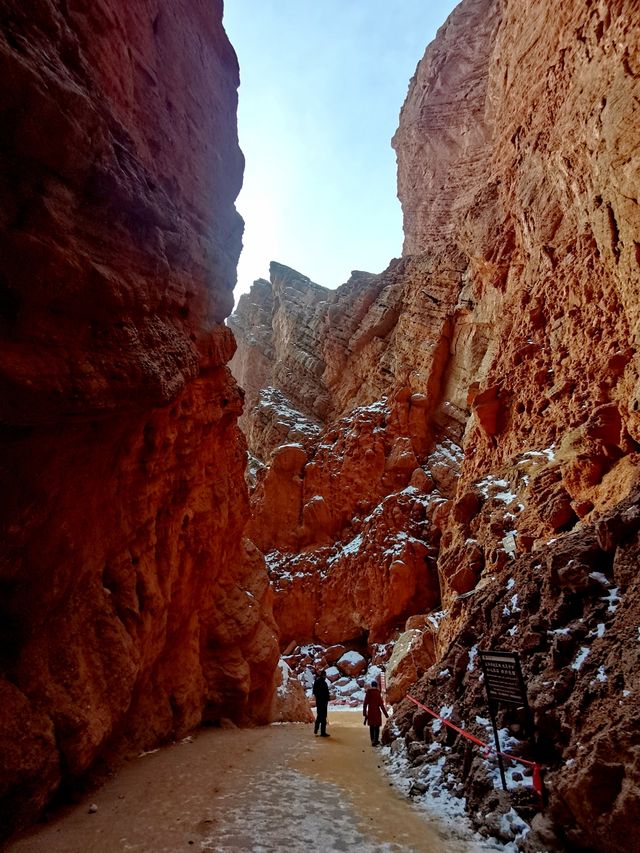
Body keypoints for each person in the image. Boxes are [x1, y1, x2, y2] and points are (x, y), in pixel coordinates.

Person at [363, 680, 388, 745]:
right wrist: (386, 715)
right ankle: (376, 740)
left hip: (370, 712)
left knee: (371, 726)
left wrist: (364, 713)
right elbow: (381, 705)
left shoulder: (368, 692)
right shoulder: (377, 693)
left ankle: (372, 740)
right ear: (376, 686)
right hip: (377, 712)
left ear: (371, 686)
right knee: (377, 727)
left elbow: (365, 703)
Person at [312, 669, 330, 736]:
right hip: (322, 702)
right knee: (322, 717)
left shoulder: (318, 682)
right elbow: (319, 692)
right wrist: (324, 697)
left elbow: (315, 691)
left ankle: (317, 730)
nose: (325, 677)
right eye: (325, 675)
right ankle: (322, 732)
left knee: (320, 716)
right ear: (323, 675)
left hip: (321, 702)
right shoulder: (321, 682)